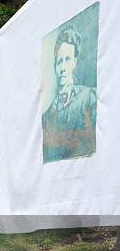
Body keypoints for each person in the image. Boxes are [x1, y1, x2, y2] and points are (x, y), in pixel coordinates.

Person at [42, 25, 97, 163]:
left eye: (67, 59)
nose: (62, 68)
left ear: (74, 62)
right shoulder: (47, 116)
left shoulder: (89, 97)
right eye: (59, 62)